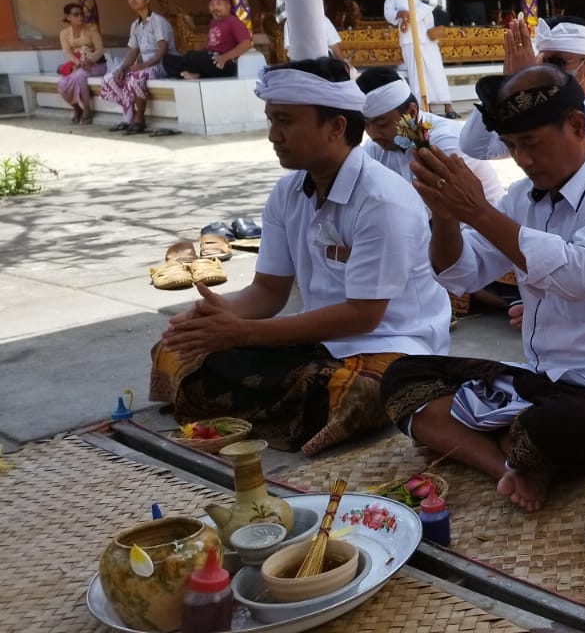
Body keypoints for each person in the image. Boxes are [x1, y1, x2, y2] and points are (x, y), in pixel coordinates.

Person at [380, 65, 585, 511]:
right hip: (543, 380)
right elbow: (461, 273)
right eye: (513, 146)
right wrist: (445, 216)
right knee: (401, 377)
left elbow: (579, 276)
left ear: (577, 126)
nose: (522, 159)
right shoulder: (522, 196)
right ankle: (506, 466)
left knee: (547, 428)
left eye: (532, 144)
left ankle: (495, 442)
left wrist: (478, 211)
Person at [149, 57, 450, 455]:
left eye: (286, 121)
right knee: (177, 350)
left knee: (346, 394)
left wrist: (243, 333)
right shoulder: (286, 193)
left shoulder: (382, 200)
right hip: (317, 342)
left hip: (395, 345)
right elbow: (267, 292)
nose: (273, 135)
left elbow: (364, 316)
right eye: (272, 120)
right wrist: (213, 315)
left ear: (337, 127)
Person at [459, 16, 585, 169]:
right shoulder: (532, 109)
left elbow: (565, 144)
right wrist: (507, 86)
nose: (545, 71)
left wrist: (527, 85)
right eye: (541, 63)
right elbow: (475, 147)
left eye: (556, 62)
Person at [354, 67, 505, 205]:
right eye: (366, 124)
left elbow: (424, 212)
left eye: (381, 124)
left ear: (411, 113)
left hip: (476, 232)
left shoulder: (444, 141)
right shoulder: (375, 148)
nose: (373, 134)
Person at [384, 0, 453, 115]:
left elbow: (430, 3)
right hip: (408, 38)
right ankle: (423, 107)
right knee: (415, 74)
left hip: (426, 36)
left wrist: (411, 16)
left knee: (435, 71)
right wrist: (399, 15)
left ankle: (448, 106)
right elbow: (388, 12)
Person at [100, 0, 172, 134]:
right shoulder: (135, 25)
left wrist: (143, 65)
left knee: (135, 78)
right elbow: (133, 51)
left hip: (162, 63)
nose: (133, 0)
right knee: (110, 78)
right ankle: (128, 117)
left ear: (147, 0)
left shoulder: (158, 21)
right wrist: (122, 68)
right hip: (144, 65)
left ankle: (140, 119)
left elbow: (163, 50)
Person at [167, 0, 252, 80]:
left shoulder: (233, 21)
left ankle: (191, 73)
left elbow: (246, 44)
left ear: (228, 6)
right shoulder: (213, 22)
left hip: (225, 63)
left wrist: (225, 57)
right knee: (167, 59)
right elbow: (207, 46)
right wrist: (199, 54)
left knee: (191, 57)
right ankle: (194, 74)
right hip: (209, 59)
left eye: (219, 4)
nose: (215, 7)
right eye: (212, 5)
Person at [57, 2, 105, 125]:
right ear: (68, 17)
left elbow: (100, 49)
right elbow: (67, 52)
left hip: (96, 65)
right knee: (62, 83)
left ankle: (87, 109)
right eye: (76, 15)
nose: (80, 17)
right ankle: (77, 108)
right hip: (77, 65)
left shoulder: (91, 29)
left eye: (81, 14)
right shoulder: (64, 33)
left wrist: (90, 60)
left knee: (79, 76)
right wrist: (78, 62)